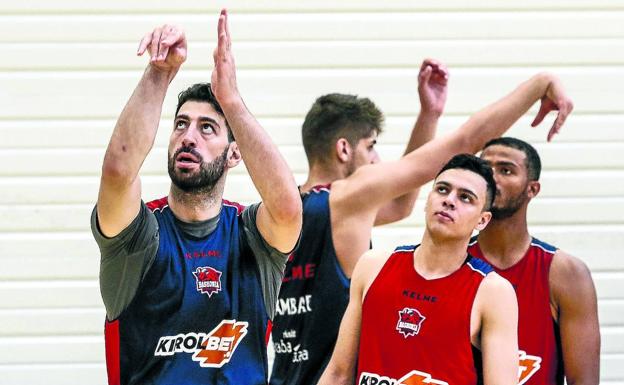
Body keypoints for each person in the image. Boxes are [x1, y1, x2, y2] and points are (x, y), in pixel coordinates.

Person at [270, 66, 574, 384]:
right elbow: (464, 142)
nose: (377, 161)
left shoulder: (286, 210)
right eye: (371, 146)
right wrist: (539, 84)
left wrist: (428, 116)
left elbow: (401, 205)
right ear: (344, 149)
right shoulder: (349, 197)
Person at [90, 10, 301, 385]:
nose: (189, 137)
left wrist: (231, 102)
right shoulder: (140, 236)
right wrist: (160, 73)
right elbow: (119, 173)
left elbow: (287, 207)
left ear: (234, 154)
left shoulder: (251, 235)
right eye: (181, 125)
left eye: (207, 128)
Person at [319, 154, 519, 385]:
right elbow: (338, 373)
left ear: (482, 221)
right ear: (427, 200)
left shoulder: (493, 291)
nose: (449, 200)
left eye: (465, 197)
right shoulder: (373, 265)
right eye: (442, 190)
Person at [469, 137, 600, 385]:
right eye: (485, 169)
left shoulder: (565, 272)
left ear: (532, 189)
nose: (492, 178)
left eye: (505, 170)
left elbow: (584, 381)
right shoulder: (453, 261)